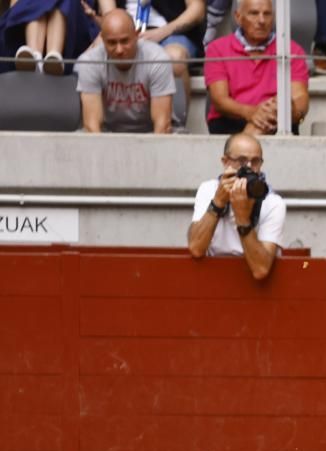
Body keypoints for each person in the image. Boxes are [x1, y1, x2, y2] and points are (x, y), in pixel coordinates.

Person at [186, 130, 285, 281]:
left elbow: (260, 269)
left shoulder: (272, 202)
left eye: (255, 161)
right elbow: (196, 248)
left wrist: (242, 217)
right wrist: (218, 202)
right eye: (242, 161)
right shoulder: (209, 189)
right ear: (225, 162)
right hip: (211, 281)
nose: (249, 168)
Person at [202, 0, 309, 136]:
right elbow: (220, 101)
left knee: (277, 110)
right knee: (263, 122)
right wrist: (252, 113)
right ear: (238, 17)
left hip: (278, 121)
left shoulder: (291, 49)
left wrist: (278, 110)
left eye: (267, 14)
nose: (262, 20)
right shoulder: (217, 49)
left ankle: (241, 150)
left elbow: (300, 99)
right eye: (254, 13)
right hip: (231, 120)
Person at [77, 8, 176, 133]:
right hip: (106, 135)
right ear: (102, 39)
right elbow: (92, 126)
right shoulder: (90, 62)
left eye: (125, 41)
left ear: (136, 35)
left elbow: (162, 125)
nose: (119, 50)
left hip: (150, 134)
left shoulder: (157, 59)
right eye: (112, 43)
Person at [4, 0, 96, 74]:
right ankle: (35, 58)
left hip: (76, 32)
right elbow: (13, 11)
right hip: (23, 32)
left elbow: (109, 20)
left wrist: (93, 15)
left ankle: (53, 57)